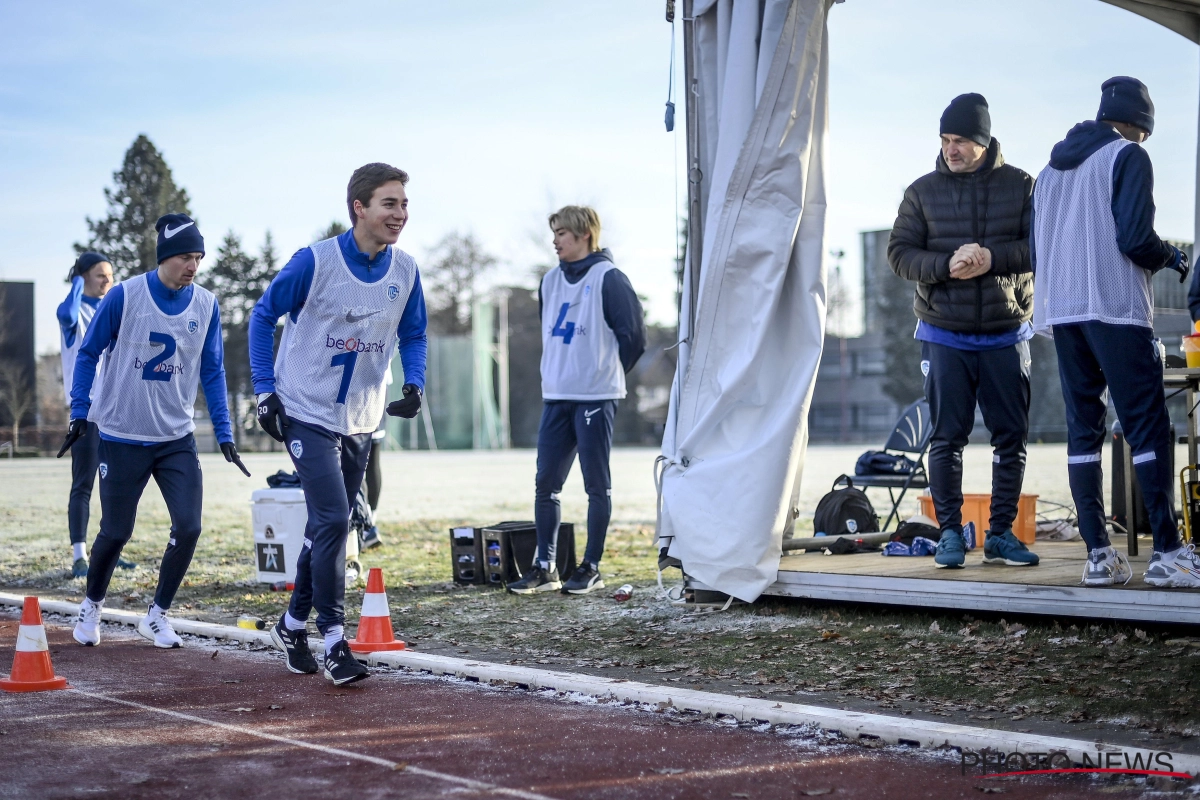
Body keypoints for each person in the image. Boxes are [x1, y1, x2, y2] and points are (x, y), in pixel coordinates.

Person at [250, 163, 427, 685]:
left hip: (361, 419)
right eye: (389, 204)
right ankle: (333, 640)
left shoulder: (406, 271)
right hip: (305, 410)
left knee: (328, 525)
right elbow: (262, 316)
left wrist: (414, 384)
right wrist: (265, 391)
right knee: (332, 519)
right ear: (359, 208)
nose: (400, 214)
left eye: (404, 204)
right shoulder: (315, 261)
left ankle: (290, 625)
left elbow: (414, 334)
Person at [1032, 77, 1195, 588]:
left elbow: (1037, 250)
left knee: (1084, 430)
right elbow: (1134, 239)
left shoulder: (1047, 172)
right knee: (1146, 425)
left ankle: (1099, 557)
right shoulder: (1128, 156)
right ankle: (1168, 554)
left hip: (1063, 312)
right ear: (1138, 123)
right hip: (1116, 309)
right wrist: (1173, 256)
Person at [62, 214, 249, 649]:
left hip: (175, 439)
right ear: (165, 256)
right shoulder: (125, 296)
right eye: (186, 256)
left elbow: (213, 370)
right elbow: (88, 353)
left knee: (189, 527)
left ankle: (158, 614)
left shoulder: (206, 304)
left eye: (198, 257)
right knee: (115, 531)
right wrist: (79, 411)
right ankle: (91, 606)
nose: (194, 265)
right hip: (122, 436)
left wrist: (224, 431)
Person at [887, 93, 1040, 570]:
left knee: (1010, 438)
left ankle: (999, 535)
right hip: (945, 332)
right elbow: (899, 254)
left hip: (1006, 330)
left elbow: (1041, 247)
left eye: (961, 141)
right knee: (947, 437)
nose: (951, 149)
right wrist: (946, 266)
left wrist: (992, 259)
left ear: (984, 141)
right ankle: (950, 534)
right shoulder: (921, 191)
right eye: (945, 140)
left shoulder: (1022, 186)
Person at [508, 206, 645, 596]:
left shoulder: (610, 278)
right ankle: (545, 567)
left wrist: (604, 373)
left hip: (596, 397)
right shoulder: (549, 281)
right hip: (556, 396)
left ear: (585, 234)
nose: (555, 240)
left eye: (563, 232)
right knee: (545, 485)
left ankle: (591, 566)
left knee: (595, 486)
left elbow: (634, 337)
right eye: (554, 232)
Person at [56, 252, 136, 578]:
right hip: (85, 412)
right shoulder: (73, 314)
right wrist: (76, 278)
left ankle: (111, 552)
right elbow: (66, 312)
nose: (108, 280)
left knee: (115, 484)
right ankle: (79, 556)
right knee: (84, 484)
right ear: (85, 277)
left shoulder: (111, 309)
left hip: (114, 410)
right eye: (101, 275)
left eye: (111, 275)